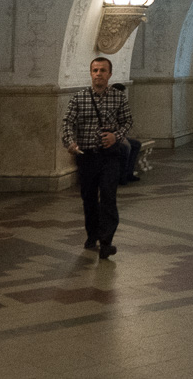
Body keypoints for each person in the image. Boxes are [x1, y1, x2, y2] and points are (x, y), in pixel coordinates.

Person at [63, 57, 134, 258]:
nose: (98, 74)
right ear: (91, 73)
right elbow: (67, 122)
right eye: (95, 70)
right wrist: (70, 142)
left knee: (109, 197)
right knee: (89, 198)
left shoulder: (118, 98)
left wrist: (115, 136)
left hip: (109, 157)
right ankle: (92, 234)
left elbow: (127, 122)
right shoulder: (79, 98)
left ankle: (106, 241)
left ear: (109, 74)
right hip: (86, 156)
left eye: (103, 70)